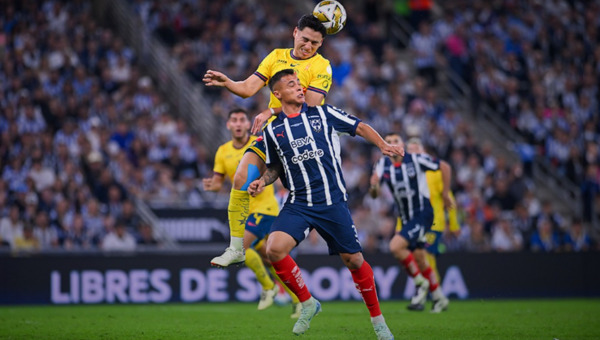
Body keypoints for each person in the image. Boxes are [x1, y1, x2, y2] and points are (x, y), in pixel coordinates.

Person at [247, 69, 398, 339]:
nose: (299, 87)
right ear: (277, 94)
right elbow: (274, 168)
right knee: (274, 249)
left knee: (353, 260)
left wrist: (382, 144)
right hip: (299, 203)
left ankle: (378, 321)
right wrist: (261, 181)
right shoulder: (273, 131)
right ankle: (307, 302)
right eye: (291, 85)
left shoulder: (323, 114)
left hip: (332, 202)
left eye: (299, 83)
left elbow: (359, 126)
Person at [202, 14, 332, 268]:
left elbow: (309, 108)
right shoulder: (275, 56)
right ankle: (236, 248)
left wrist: (270, 111)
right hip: (273, 133)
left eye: (315, 44)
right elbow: (248, 88)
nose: (308, 47)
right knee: (241, 178)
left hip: (301, 138)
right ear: (295, 32)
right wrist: (228, 82)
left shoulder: (321, 66)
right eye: (305, 40)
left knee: (310, 205)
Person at [202, 108, 290, 312]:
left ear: (248, 124)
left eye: (242, 120)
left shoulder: (258, 143)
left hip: (264, 208)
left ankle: (269, 288)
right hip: (244, 211)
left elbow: (274, 168)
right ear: (229, 125)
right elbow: (217, 183)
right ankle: (299, 297)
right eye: (234, 120)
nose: (239, 123)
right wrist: (208, 185)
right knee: (270, 258)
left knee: (241, 248)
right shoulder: (223, 151)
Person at [370, 133, 453, 313]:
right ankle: (439, 298)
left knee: (395, 246)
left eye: (395, 141)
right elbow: (374, 195)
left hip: (422, 214)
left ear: (403, 145)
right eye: (388, 142)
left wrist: (445, 193)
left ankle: (419, 282)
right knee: (420, 258)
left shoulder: (416, 160)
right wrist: (373, 186)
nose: (391, 144)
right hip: (406, 218)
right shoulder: (382, 164)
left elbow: (445, 167)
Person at [402, 137, 460, 311]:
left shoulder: (434, 173)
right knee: (419, 259)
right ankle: (432, 296)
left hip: (434, 222)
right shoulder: (407, 173)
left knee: (426, 257)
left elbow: (449, 198)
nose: (413, 153)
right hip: (415, 223)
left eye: (416, 150)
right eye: (410, 150)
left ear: (423, 152)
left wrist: (455, 224)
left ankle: (433, 296)